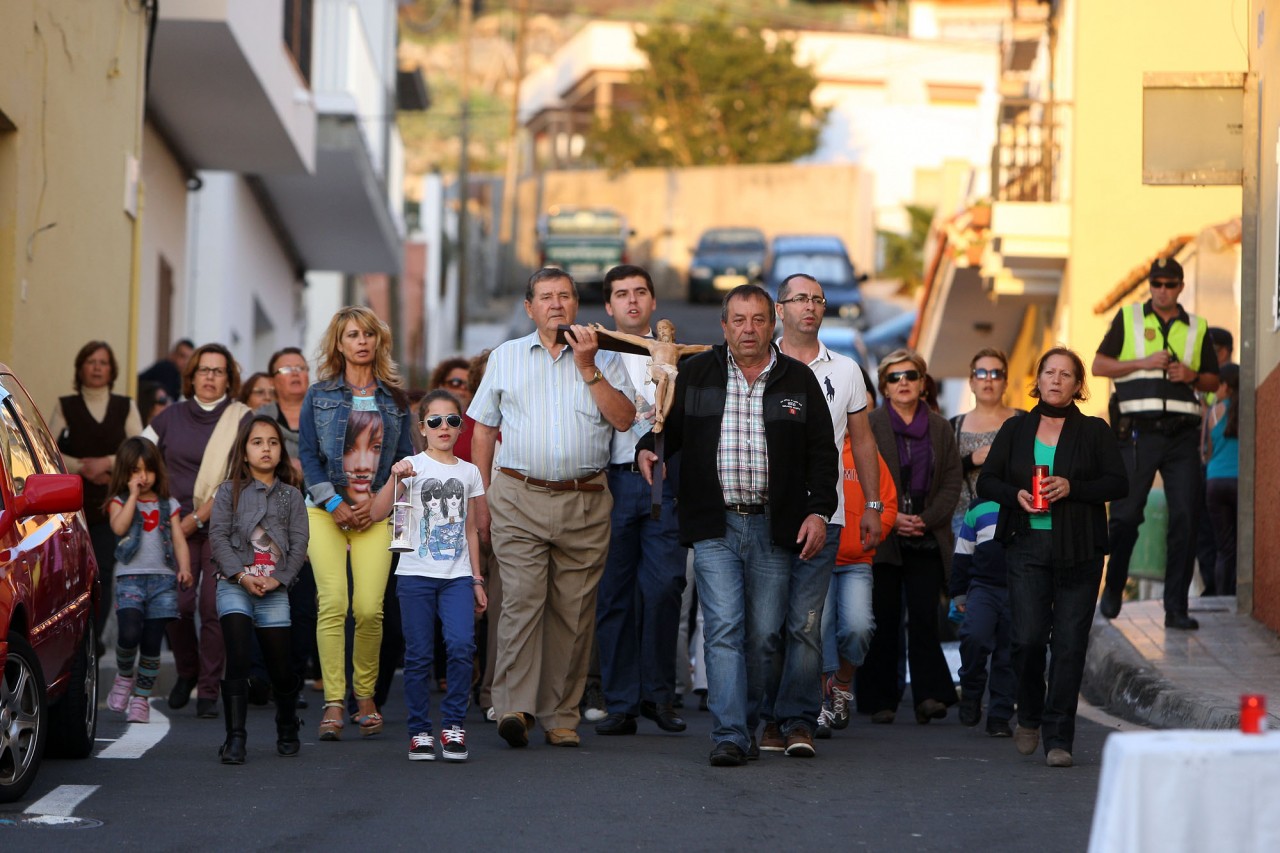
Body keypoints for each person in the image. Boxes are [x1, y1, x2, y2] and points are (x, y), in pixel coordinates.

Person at [636, 283, 838, 767]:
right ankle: (728, 734)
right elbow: (670, 426)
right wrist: (649, 444)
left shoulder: (797, 380)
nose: (749, 329)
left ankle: (749, 723)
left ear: (773, 324)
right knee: (723, 628)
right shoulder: (698, 372)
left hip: (774, 526)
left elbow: (822, 455)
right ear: (724, 326)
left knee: (765, 636)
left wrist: (818, 511)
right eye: (739, 320)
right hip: (714, 524)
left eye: (758, 320)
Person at [469, 267, 635, 749]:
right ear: (530, 308)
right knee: (521, 601)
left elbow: (624, 418)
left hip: (585, 499)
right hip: (518, 495)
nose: (557, 305)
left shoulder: (606, 352)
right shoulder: (506, 357)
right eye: (546, 297)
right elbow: (481, 429)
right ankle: (514, 705)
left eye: (565, 296)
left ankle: (561, 714)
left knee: (575, 610)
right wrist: (482, 498)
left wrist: (589, 368)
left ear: (576, 305)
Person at [978, 346, 1128, 767]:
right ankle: (1028, 712)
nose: (1057, 380)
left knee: (1069, 645)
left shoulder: (1095, 431)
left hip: (1079, 549)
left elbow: (1119, 483)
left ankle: (1059, 735)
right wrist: (1017, 494)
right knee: (1026, 640)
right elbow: (987, 482)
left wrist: (1073, 487)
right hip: (1026, 545)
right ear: (1038, 380)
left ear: (1079, 385)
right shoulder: (1015, 428)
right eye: (1049, 372)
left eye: (1066, 374)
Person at [758, 272, 882, 756]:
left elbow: (864, 440)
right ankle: (766, 716)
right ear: (780, 307)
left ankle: (798, 721)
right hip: (760, 514)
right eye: (799, 299)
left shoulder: (847, 370)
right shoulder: (755, 362)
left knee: (806, 623)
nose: (809, 306)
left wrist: (870, 505)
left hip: (822, 514)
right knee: (766, 624)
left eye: (817, 299)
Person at [299, 306, 415, 742]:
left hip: (378, 513)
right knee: (333, 604)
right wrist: (332, 501)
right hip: (326, 513)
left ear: (379, 342)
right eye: (352, 335)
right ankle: (333, 700)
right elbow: (308, 456)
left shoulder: (396, 399)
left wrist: (382, 507)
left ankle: (364, 694)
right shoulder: (319, 394)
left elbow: (406, 464)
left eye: (368, 334)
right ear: (339, 344)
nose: (361, 341)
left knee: (368, 607)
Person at [590, 265, 696, 737]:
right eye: (621, 295)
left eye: (640, 293)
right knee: (613, 594)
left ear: (653, 302)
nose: (631, 302)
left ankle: (660, 695)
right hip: (609, 482)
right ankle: (620, 702)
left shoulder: (679, 357)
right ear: (609, 306)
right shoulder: (593, 354)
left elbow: (695, 423)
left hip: (661, 485)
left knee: (665, 585)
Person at [1093, 257, 1219, 629]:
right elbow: (1100, 365)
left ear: (1181, 287)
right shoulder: (1128, 318)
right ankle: (1114, 584)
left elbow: (1213, 380)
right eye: (1157, 283)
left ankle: (1176, 607)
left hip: (1182, 435)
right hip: (1137, 432)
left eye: (1170, 284)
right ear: (1150, 285)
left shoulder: (1197, 327)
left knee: (1185, 515)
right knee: (1126, 514)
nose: (1162, 290)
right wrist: (1143, 361)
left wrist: (1193, 375)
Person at [371, 390, 488, 761]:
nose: (443, 427)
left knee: (461, 647)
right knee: (419, 656)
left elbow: (471, 529)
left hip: (456, 577)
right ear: (422, 428)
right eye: (434, 421)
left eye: (452, 420)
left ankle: (453, 726)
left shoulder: (470, 472)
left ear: (461, 427)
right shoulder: (410, 464)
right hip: (415, 574)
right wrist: (395, 478)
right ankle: (420, 731)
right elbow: (376, 513)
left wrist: (478, 579)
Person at [142, 343, 253, 717]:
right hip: (175, 525)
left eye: (217, 371)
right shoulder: (169, 417)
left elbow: (242, 476)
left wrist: (199, 517)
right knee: (176, 603)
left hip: (223, 524)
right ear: (191, 376)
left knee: (211, 606)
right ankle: (187, 672)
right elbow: (137, 458)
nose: (209, 377)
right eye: (203, 370)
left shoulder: (242, 419)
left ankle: (208, 689)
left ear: (228, 378)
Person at [858, 349, 962, 725]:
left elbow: (952, 480)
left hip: (926, 532)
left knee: (923, 616)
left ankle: (929, 695)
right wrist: (890, 517)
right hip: (883, 533)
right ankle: (880, 699)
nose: (903, 383)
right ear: (884, 385)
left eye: (911, 376)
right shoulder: (869, 424)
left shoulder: (940, 427)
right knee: (883, 618)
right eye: (895, 377)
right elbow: (858, 474)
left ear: (923, 384)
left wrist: (925, 519)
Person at [209, 416, 310, 763]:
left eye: (272, 442)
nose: (265, 448)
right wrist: (240, 575)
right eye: (257, 442)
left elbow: (299, 545)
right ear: (244, 450)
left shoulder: (292, 496)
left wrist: (278, 579)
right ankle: (235, 737)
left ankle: (286, 722)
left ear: (281, 450)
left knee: (280, 668)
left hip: (274, 589)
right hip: (234, 585)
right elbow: (218, 537)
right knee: (237, 658)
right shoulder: (227, 491)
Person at [49, 340, 143, 650]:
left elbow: (139, 449)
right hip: (72, 504)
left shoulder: (125, 405)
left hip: (111, 504)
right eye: (91, 361)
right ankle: (72, 637)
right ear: (81, 368)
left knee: (102, 570)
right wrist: (82, 467)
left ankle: (95, 637)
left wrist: (109, 463)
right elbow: (50, 450)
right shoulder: (66, 405)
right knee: (71, 572)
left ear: (111, 369)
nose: (98, 367)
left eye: (103, 362)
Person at [104, 438, 193, 723]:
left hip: (162, 581)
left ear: (158, 470)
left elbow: (178, 539)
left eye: (147, 470)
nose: (142, 477)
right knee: (129, 634)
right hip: (129, 578)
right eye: (135, 471)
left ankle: (141, 699)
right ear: (124, 473)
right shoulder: (118, 502)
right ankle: (124, 676)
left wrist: (186, 568)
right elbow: (118, 526)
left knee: (153, 642)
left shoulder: (169, 504)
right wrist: (131, 496)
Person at [817, 432, 897, 739]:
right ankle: (820, 706)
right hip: (817, 558)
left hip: (856, 560)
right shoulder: (814, 443)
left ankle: (841, 682)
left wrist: (875, 534)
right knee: (816, 632)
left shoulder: (867, 452)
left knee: (860, 627)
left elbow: (886, 502)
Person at [949, 499, 1016, 737]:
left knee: (1010, 654)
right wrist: (958, 592)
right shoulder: (979, 508)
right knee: (974, 637)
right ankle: (971, 689)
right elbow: (963, 553)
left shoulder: (1034, 504)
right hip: (983, 587)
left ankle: (999, 716)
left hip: (1019, 588)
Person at [950, 348, 1021, 537]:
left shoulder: (1025, 420)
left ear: (1005, 383)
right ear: (972, 383)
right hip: (965, 522)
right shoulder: (953, 425)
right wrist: (970, 460)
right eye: (981, 373)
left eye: (996, 373)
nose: (988, 379)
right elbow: (940, 475)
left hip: (1013, 518)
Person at [1196, 327, 1235, 595]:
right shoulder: (1206, 384)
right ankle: (1215, 587)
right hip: (1210, 469)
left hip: (1215, 468)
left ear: (1222, 352)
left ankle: (1220, 588)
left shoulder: (1229, 381)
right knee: (1205, 532)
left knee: (1220, 536)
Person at [1203, 363, 1239, 596]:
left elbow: (1206, 452)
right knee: (1241, 544)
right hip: (1238, 482)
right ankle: (1238, 595)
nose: (1215, 390)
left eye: (1218, 386)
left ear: (1226, 386)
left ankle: (1222, 596)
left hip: (1214, 482)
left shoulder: (1213, 412)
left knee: (1223, 547)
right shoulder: (1245, 410)